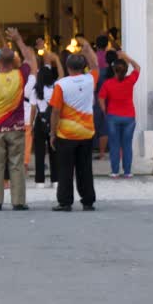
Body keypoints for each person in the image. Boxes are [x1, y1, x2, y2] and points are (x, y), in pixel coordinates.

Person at [0, 28, 37, 210]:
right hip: (17, 129)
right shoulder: (20, 76)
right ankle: (18, 201)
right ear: (13, 61)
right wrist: (18, 40)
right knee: (17, 165)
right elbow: (30, 60)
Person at [48, 37, 99, 211]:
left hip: (66, 134)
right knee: (85, 168)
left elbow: (55, 111)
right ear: (83, 67)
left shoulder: (61, 85)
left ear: (68, 66)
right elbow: (96, 67)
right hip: (86, 132)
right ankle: (88, 200)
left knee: (65, 170)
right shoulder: (89, 80)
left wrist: (52, 133)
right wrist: (87, 51)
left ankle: (65, 201)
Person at [97, 49, 141, 178]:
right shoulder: (130, 80)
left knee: (114, 144)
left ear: (114, 70)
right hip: (129, 116)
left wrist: (105, 111)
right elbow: (137, 67)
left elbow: (101, 99)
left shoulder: (108, 83)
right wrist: (127, 57)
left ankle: (115, 171)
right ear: (126, 70)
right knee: (127, 145)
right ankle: (127, 171)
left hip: (112, 116)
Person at [25, 54, 63, 187]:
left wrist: (31, 125)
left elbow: (33, 109)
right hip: (54, 121)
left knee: (39, 153)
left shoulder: (36, 91)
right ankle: (55, 180)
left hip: (40, 122)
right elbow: (61, 76)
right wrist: (56, 60)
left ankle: (40, 181)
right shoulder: (56, 88)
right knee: (54, 152)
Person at [92, 49, 116, 161]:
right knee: (108, 128)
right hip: (112, 102)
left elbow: (94, 87)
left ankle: (99, 152)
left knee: (97, 127)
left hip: (99, 102)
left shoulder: (100, 73)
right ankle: (110, 152)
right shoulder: (117, 74)